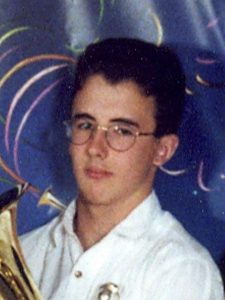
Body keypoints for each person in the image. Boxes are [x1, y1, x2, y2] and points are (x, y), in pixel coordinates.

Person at [21, 38, 224, 299]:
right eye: (85, 125)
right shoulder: (25, 254)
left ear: (163, 150)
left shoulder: (182, 272)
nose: (96, 148)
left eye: (122, 131)